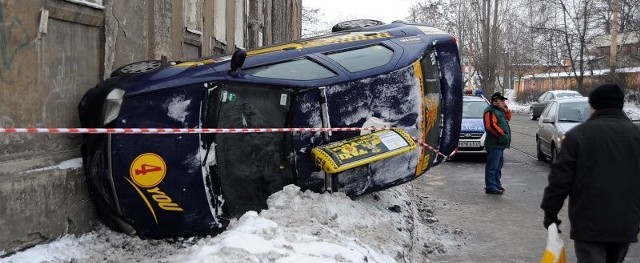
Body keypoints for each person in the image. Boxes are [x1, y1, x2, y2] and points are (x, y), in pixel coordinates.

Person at [540, 84, 640, 262]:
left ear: (593, 106)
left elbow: (560, 180)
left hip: (589, 223)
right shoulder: (636, 135)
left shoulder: (578, 136)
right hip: (625, 223)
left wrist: (550, 213)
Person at [483, 92, 512, 195]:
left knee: (498, 166)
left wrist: (506, 110)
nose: (503, 102)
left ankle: (496, 184)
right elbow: (490, 126)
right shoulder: (490, 111)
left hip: (499, 144)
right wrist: (502, 135)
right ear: (495, 101)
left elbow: (507, 118)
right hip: (494, 143)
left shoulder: (499, 111)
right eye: (501, 101)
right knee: (493, 166)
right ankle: (491, 186)